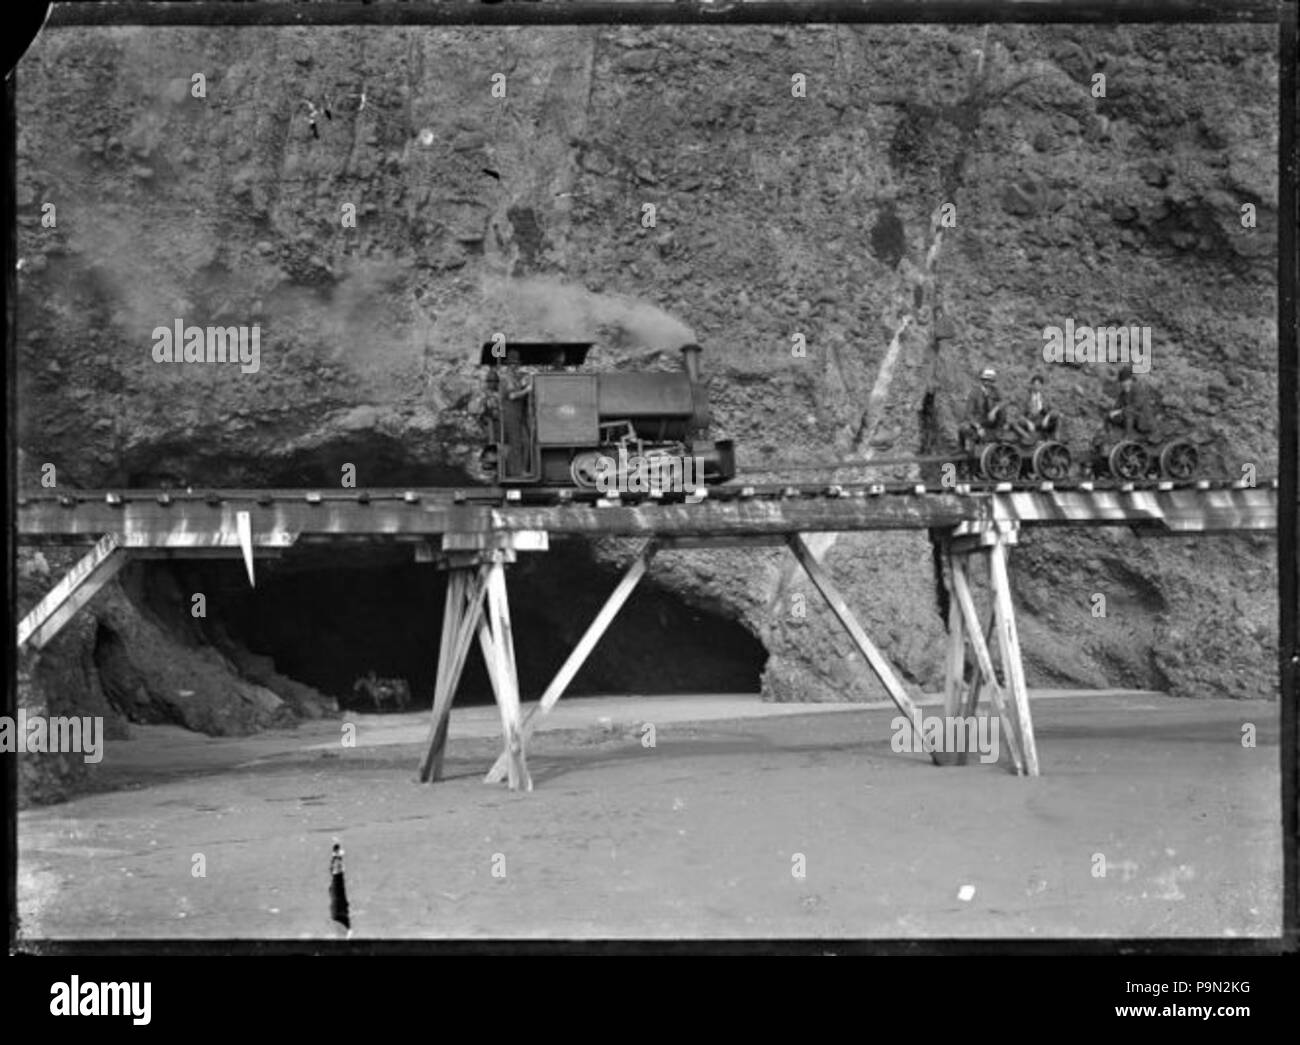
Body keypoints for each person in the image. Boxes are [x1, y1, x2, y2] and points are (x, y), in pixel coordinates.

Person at [959, 367, 1005, 453]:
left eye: (990, 381)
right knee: (964, 428)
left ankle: (998, 432)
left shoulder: (995, 391)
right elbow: (968, 414)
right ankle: (967, 448)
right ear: (982, 380)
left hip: (992, 421)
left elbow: (1003, 401)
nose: (988, 383)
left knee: (1002, 410)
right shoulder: (974, 393)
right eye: (986, 380)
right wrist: (978, 427)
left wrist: (994, 410)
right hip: (978, 421)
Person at [1106, 364, 1155, 438]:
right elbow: (1117, 404)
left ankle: (1128, 437)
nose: (1123, 384)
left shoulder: (1138, 389)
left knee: (1128, 412)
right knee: (1110, 415)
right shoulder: (1123, 393)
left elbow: (1136, 406)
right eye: (1122, 382)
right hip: (1132, 418)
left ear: (1130, 380)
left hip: (1143, 419)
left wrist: (1119, 411)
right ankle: (1111, 435)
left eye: (1125, 381)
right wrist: (1112, 412)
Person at [1013, 374, 1061, 441]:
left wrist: (1047, 417)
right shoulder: (1026, 397)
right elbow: (1019, 414)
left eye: (1039, 384)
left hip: (1042, 420)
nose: (1036, 386)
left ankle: (1056, 439)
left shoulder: (1045, 397)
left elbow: (1055, 410)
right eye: (1035, 384)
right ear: (1032, 385)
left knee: (1057, 418)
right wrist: (1028, 422)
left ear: (1041, 386)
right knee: (1015, 422)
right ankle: (1028, 438)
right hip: (1031, 420)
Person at [329, 841, 351, 939]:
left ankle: (336, 857)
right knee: (337, 886)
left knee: (337, 887)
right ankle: (336, 857)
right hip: (340, 914)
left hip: (340, 914)